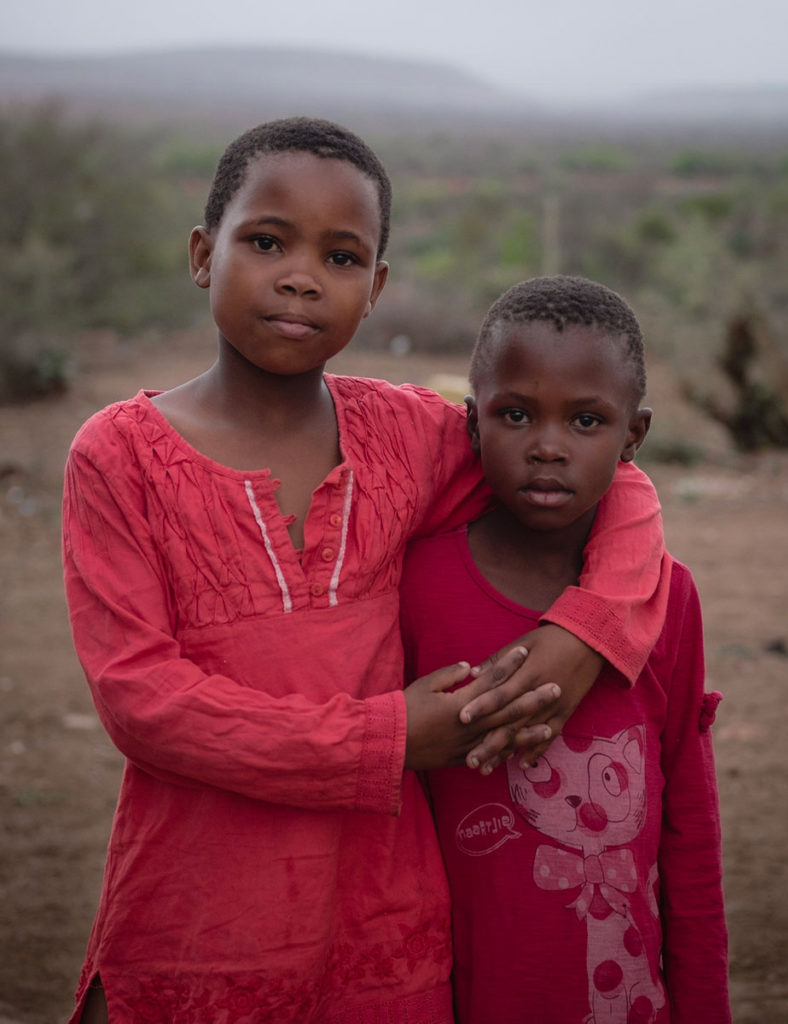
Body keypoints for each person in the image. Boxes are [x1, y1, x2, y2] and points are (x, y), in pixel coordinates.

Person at [62, 120, 670, 1024]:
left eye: (341, 256)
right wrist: (386, 742)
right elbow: (142, 703)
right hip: (196, 926)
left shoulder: (411, 437)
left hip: (387, 938)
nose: (301, 275)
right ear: (202, 253)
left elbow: (612, 482)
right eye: (266, 242)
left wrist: (584, 635)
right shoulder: (119, 457)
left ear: (375, 288)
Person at [400, 276, 731, 1023]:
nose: (547, 447)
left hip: (624, 997)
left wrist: (703, 1003)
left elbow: (688, 820)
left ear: (633, 436)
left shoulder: (667, 598)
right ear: (471, 420)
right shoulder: (416, 585)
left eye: (586, 421)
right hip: (449, 991)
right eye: (514, 415)